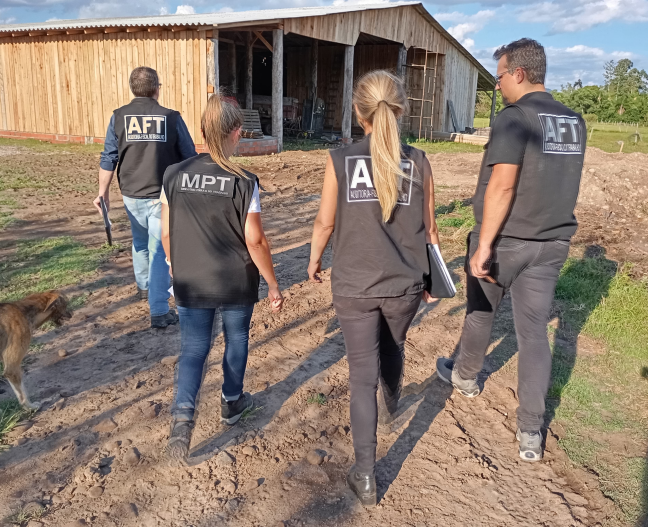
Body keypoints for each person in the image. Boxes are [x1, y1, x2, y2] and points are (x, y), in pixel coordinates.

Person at [435, 38, 586, 462]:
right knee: (534, 334)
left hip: (508, 241)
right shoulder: (573, 121)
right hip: (553, 242)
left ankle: (464, 378)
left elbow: (503, 182)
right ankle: (531, 434)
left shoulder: (515, 117)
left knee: (482, 310)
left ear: (519, 73)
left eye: (499, 75)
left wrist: (484, 245)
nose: (498, 84)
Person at [308, 70, 440, 507]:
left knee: (359, 378)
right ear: (399, 110)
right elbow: (431, 232)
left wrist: (314, 259)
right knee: (394, 349)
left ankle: (365, 475)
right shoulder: (419, 161)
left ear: (358, 111)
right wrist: (432, 277)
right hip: (405, 284)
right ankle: (394, 401)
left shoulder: (340, 159)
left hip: (354, 285)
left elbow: (325, 222)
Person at [161, 93, 284, 461]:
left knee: (194, 348)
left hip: (190, 279)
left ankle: (182, 420)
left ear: (201, 131)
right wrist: (273, 283)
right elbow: (255, 239)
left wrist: (174, 263)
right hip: (235, 280)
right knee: (236, 338)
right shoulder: (245, 180)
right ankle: (232, 403)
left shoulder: (173, 174)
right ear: (237, 133)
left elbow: (166, 233)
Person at [94, 66, 197, 328]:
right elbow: (189, 156)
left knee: (140, 243)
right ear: (156, 89)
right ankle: (160, 310)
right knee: (160, 250)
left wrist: (102, 192)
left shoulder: (118, 117)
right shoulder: (171, 117)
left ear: (132, 89)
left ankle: (144, 287)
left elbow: (109, 157)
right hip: (162, 197)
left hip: (131, 194)